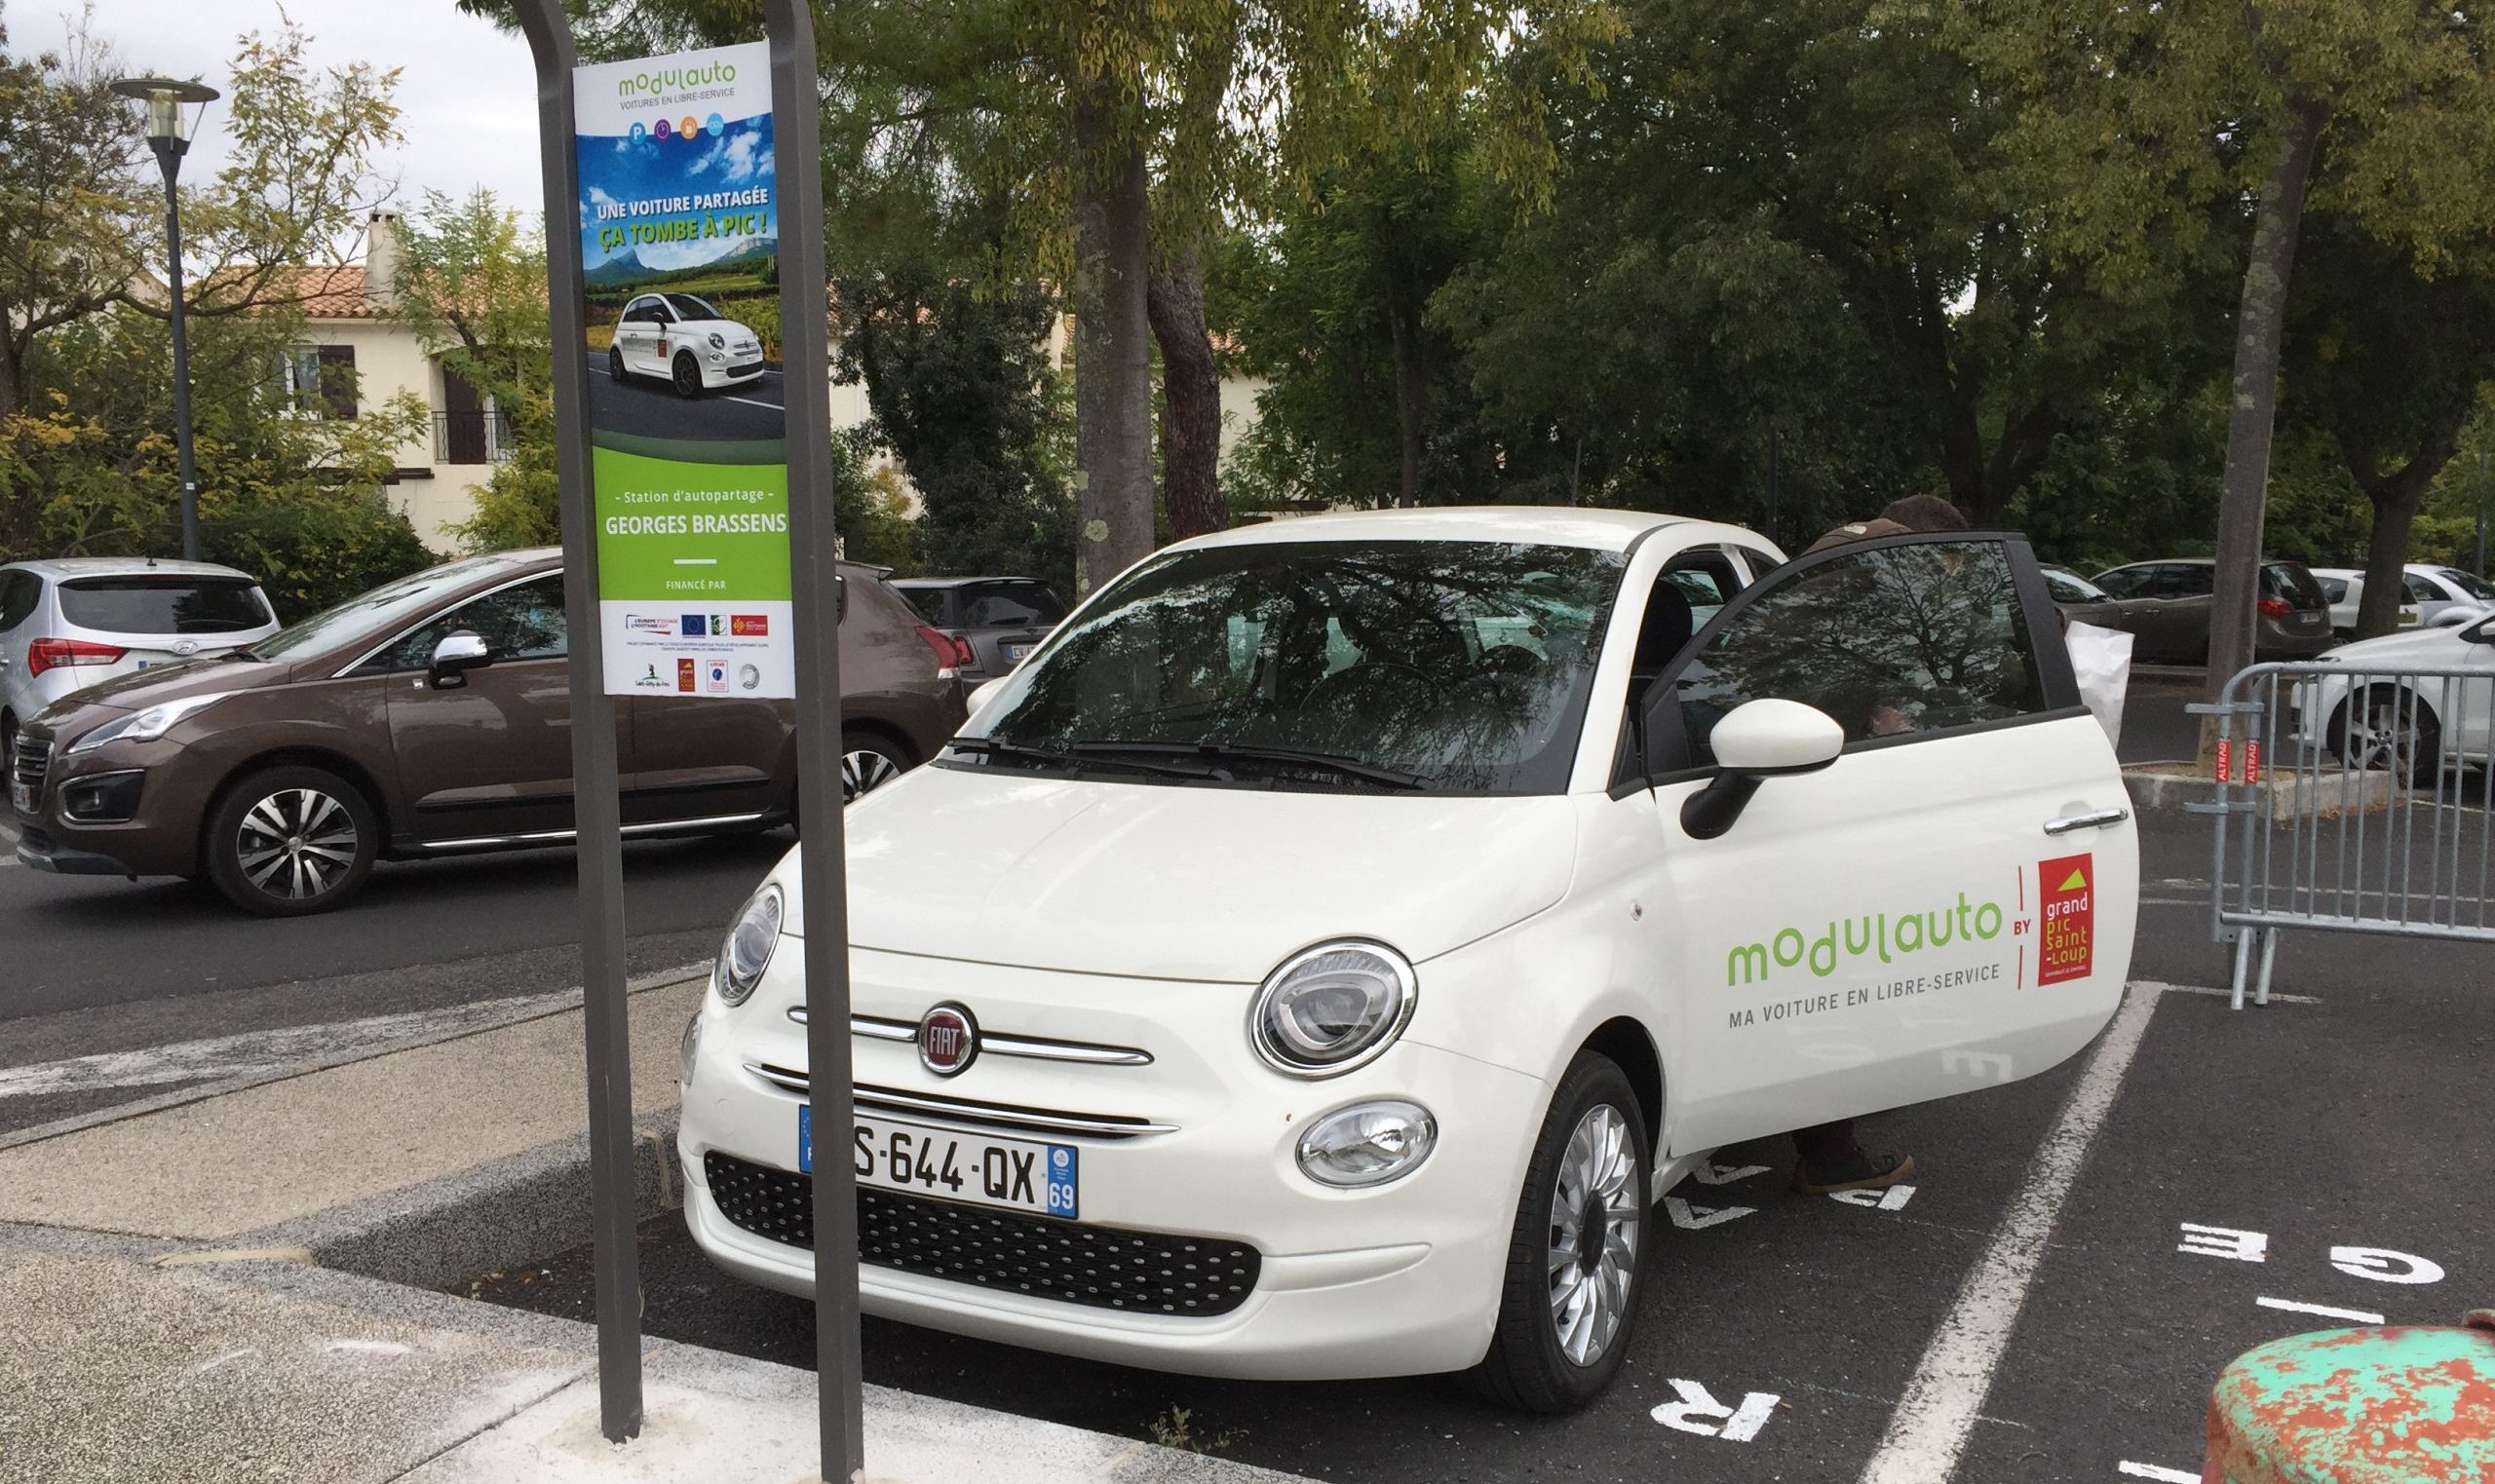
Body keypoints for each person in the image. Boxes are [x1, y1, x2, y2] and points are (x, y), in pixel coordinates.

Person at [1786, 492, 1970, 1196]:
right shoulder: (1894, 571)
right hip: (1834, 790)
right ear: (1935, 547)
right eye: (1951, 568)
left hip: (1778, 770)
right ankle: (1829, 1153)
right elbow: (1881, 694)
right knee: (1839, 975)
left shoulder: (1837, 550)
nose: (1947, 583)